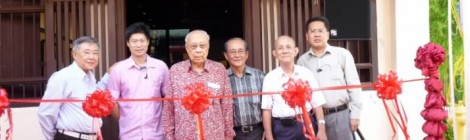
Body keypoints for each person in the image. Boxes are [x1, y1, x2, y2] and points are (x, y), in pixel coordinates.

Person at [297, 16, 362, 140]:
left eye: (320, 31)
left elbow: (354, 85)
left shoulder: (342, 54)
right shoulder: (302, 61)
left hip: (340, 115)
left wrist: (355, 115)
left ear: (328, 34)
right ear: (307, 36)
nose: (317, 35)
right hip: (314, 118)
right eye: (312, 31)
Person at [163, 30, 235, 140]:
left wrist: (228, 135)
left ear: (208, 47)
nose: (198, 50)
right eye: (193, 46)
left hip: (214, 136)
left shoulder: (219, 69)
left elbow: (227, 105)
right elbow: (168, 107)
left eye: (202, 46)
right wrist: (169, 136)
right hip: (184, 136)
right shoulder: (175, 71)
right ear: (187, 48)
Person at [107, 22, 169, 139]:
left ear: (148, 42)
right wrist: (124, 120)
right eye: (134, 41)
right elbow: (111, 101)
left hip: (156, 134)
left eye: (142, 41)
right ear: (127, 43)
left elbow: (168, 97)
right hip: (129, 134)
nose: (138, 45)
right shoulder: (118, 70)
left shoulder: (161, 67)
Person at [38, 36, 107, 140]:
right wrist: (53, 137)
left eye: (95, 53)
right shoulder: (63, 77)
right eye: (87, 52)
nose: (92, 57)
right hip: (70, 136)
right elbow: (46, 112)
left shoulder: (91, 78)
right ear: (74, 54)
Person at [261, 35, 327, 140]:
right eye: (280, 48)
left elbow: (317, 103)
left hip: (307, 123)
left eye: (288, 47)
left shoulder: (306, 73)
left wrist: (322, 129)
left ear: (296, 51)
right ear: (274, 53)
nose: (285, 51)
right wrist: (269, 136)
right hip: (282, 128)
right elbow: (266, 109)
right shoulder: (269, 78)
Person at [223, 38, 265, 140]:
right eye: (232, 52)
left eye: (240, 51)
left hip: (258, 132)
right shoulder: (222, 78)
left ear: (246, 54)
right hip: (233, 134)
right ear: (226, 55)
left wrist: (267, 130)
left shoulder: (259, 76)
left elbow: (267, 105)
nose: (237, 55)